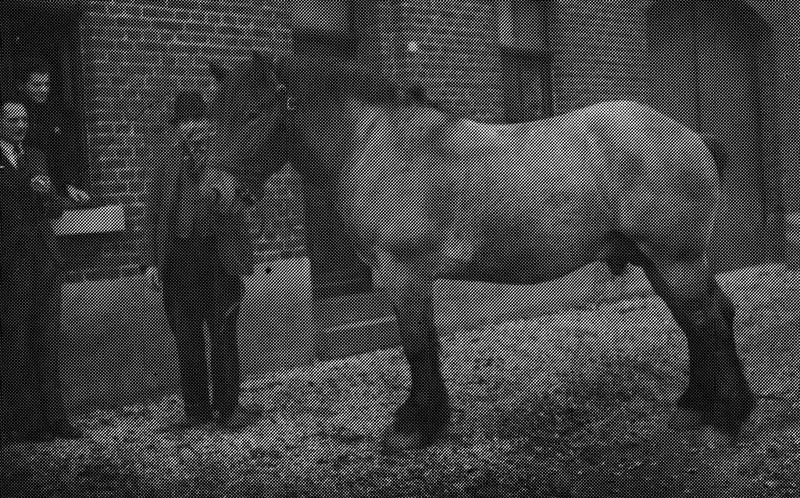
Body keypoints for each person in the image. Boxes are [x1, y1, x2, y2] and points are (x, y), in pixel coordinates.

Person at [143, 91, 262, 430]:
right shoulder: (166, 164)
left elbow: (247, 198)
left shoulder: (223, 158)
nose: (192, 127)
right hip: (180, 262)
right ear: (177, 128)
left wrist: (237, 200)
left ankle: (228, 408)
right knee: (186, 337)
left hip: (217, 259)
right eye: (185, 122)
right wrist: (151, 262)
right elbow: (152, 215)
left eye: (197, 120)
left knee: (223, 334)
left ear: (208, 123)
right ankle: (196, 410)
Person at [0, 99, 82, 442]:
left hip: (44, 260)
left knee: (47, 340)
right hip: (11, 263)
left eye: (24, 120)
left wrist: (51, 196)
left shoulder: (36, 156)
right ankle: (26, 423)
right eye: (13, 121)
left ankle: (56, 419)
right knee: (16, 341)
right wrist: (26, 188)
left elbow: (53, 210)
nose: (21, 126)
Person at [16, 57, 90, 205]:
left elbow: (61, 154)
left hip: (56, 190)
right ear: (21, 86)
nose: (43, 89)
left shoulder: (53, 115)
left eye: (46, 84)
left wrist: (68, 185)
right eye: (36, 85)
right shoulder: (15, 116)